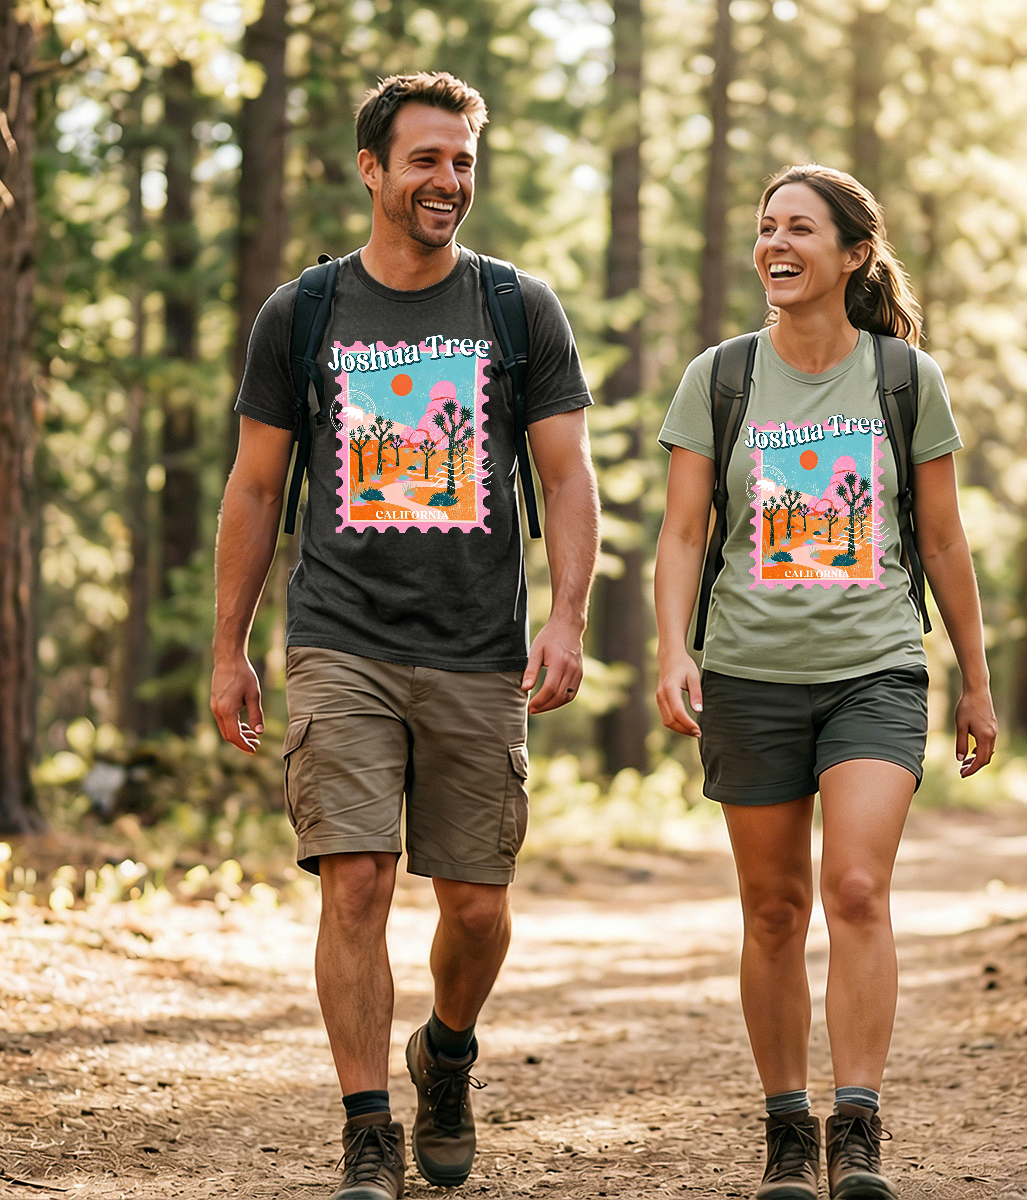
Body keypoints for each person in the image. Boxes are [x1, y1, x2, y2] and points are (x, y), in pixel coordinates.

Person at [210, 72, 600, 1200]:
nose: (449, 182)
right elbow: (254, 488)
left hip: (480, 645)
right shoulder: (306, 313)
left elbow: (568, 478)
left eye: (463, 162)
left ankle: (447, 1053)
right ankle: (367, 1127)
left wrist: (567, 617)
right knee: (359, 880)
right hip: (341, 634)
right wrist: (229, 647)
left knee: (476, 907)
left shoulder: (518, 309)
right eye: (426, 160)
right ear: (373, 170)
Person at [654, 164, 996, 1200]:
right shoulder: (720, 377)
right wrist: (674, 649)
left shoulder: (903, 377)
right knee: (771, 909)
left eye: (799, 228)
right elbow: (680, 536)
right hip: (750, 674)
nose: (775, 244)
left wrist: (976, 681)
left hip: (875, 670)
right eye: (765, 227)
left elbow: (942, 539)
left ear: (854, 255)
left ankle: (858, 1126)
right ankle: (786, 1132)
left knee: (855, 888)